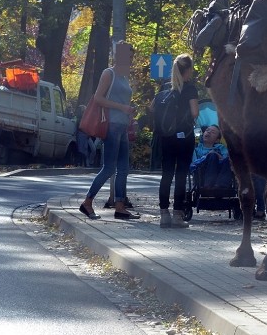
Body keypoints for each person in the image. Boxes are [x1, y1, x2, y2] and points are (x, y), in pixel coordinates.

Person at [78, 41, 140, 221]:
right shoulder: (109, 73)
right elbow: (98, 98)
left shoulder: (124, 78)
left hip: (122, 126)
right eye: (127, 56)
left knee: (123, 169)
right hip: (111, 125)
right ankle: (87, 202)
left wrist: (129, 111)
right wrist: (122, 107)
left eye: (131, 56)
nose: (130, 59)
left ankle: (120, 206)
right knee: (109, 168)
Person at [154, 53, 199, 228]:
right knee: (181, 175)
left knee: (166, 174)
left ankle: (163, 214)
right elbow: (195, 112)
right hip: (184, 136)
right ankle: (178, 216)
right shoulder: (190, 89)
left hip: (167, 137)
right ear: (187, 69)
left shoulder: (165, 86)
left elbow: (152, 107)